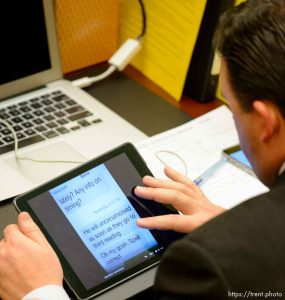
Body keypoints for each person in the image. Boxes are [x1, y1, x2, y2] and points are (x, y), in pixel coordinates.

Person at [1, 0, 285, 298]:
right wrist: (234, 229)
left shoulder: (208, 265)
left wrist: (38, 292)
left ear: (266, 123)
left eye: (233, 109)